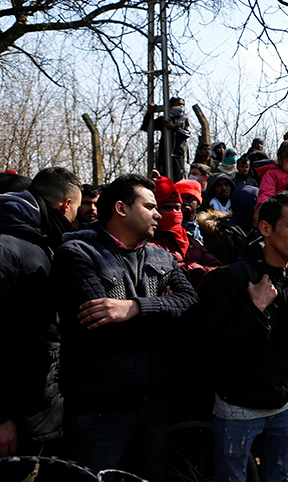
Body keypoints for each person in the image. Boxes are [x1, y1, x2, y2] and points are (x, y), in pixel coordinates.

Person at [53, 174, 198, 480]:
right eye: (150, 206)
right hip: (100, 412)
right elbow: (106, 332)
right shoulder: (77, 254)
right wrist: (165, 319)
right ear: (121, 208)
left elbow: (190, 304)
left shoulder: (161, 255)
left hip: (154, 407)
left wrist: (136, 307)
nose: (159, 214)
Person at [200, 191, 288, 482]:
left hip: (284, 405)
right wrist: (255, 308)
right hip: (239, 408)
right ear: (266, 229)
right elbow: (216, 346)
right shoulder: (235, 276)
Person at [0, 167, 82, 457]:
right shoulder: (8, 248)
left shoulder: (43, 245)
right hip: (18, 413)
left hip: (40, 404)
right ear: (67, 205)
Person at [149, 177, 221, 286]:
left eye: (177, 208)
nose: (173, 213)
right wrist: (196, 269)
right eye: (167, 207)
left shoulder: (190, 241)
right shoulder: (149, 243)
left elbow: (217, 267)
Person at [142, 96, 191, 181]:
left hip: (178, 156)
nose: (181, 107)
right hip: (163, 156)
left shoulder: (184, 120)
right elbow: (145, 128)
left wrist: (174, 127)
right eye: (179, 104)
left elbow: (187, 134)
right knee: (162, 180)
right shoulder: (164, 119)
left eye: (183, 105)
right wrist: (149, 114)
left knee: (177, 181)